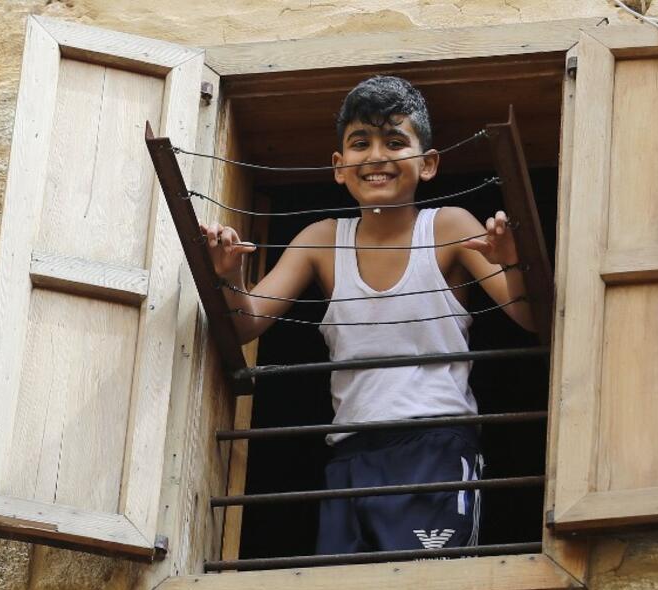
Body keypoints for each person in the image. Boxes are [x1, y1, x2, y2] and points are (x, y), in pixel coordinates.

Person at [200, 75, 532, 555]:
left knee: (427, 586)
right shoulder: (321, 239)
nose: (376, 156)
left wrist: (514, 261)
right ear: (339, 166)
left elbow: (529, 317)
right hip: (350, 451)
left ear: (429, 163)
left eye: (395, 141)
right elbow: (248, 322)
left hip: (434, 446)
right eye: (361, 143)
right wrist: (227, 276)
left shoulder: (449, 228)